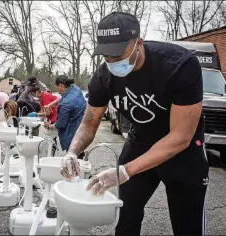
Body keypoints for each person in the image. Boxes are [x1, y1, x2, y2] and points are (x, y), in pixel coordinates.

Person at [60, 11, 209, 236]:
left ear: (138, 43)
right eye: (107, 56)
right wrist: (72, 152)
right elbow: (89, 123)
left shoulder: (179, 65)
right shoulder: (103, 77)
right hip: (140, 142)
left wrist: (125, 171)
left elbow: (181, 137)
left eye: (118, 54)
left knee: (187, 223)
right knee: (125, 215)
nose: (112, 61)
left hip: (183, 151)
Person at [44, 75, 87, 159]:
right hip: (82, 128)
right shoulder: (75, 89)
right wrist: (50, 105)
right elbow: (62, 98)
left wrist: (50, 126)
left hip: (72, 133)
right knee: (79, 152)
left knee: (72, 157)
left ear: (61, 85)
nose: (57, 90)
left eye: (57, 87)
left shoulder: (66, 104)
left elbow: (61, 124)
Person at [29, 85, 60, 155]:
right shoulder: (42, 97)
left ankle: (51, 153)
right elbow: (42, 110)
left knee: (52, 137)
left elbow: (48, 112)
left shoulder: (45, 96)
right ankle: (51, 152)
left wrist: (37, 115)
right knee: (51, 137)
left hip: (55, 118)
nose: (34, 97)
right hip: (52, 117)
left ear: (38, 92)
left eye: (33, 94)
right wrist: (36, 114)